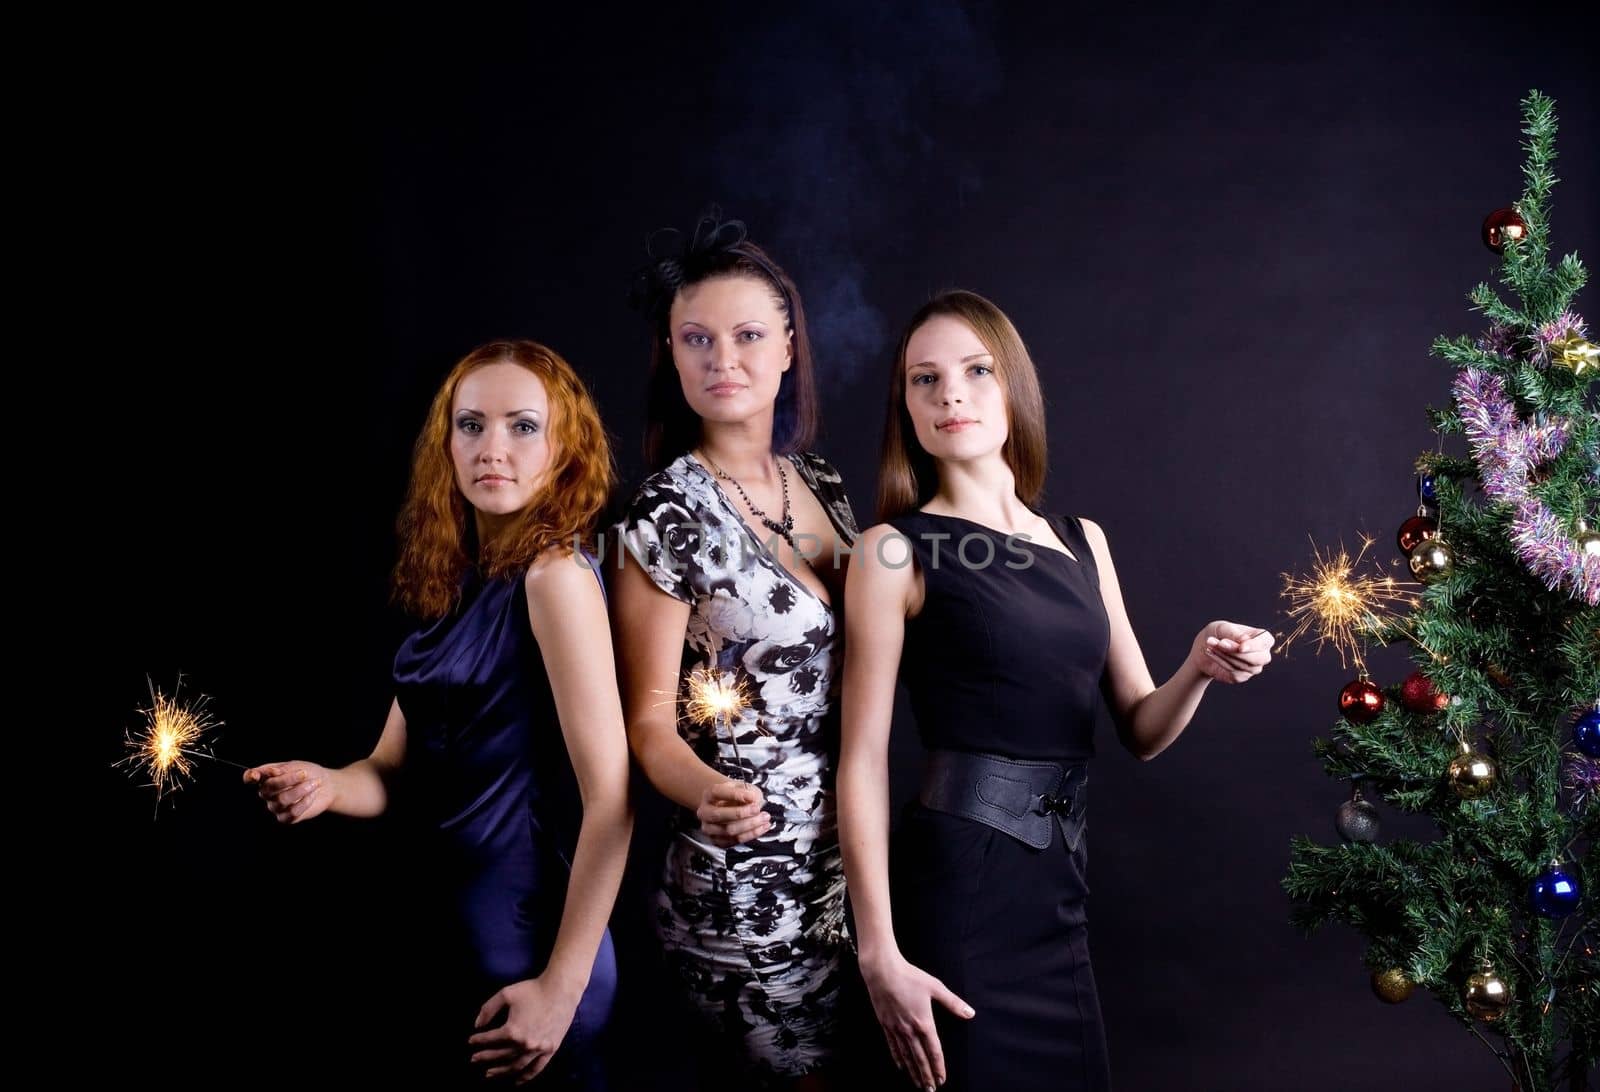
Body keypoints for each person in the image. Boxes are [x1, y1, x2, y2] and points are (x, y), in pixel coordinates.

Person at [838, 291, 1273, 1092]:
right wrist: (880, 952)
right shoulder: (891, 552)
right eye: (923, 381)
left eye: (975, 371)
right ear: (905, 406)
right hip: (960, 890)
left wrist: (1199, 667)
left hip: (1058, 893)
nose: (951, 396)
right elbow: (861, 759)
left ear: (1015, 388)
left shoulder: (1081, 540)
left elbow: (1141, 726)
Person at [244, 340, 633, 1088]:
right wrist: (324, 784)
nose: (493, 449)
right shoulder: (457, 585)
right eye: (471, 425)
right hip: (446, 945)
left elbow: (610, 798)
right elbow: (387, 769)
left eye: (523, 426)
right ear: (446, 444)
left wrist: (561, 990)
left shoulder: (555, 578)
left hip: (533, 961)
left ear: (565, 450)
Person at [611, 212, 859, 1086]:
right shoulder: (664, 515)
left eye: (748, 335)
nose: (724, 360)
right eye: (698, 339)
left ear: (789, 347)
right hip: (737, 881)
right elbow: (645, 726)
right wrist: (708, 789)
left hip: (846, 873)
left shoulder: (820, 482)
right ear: (673, 358)